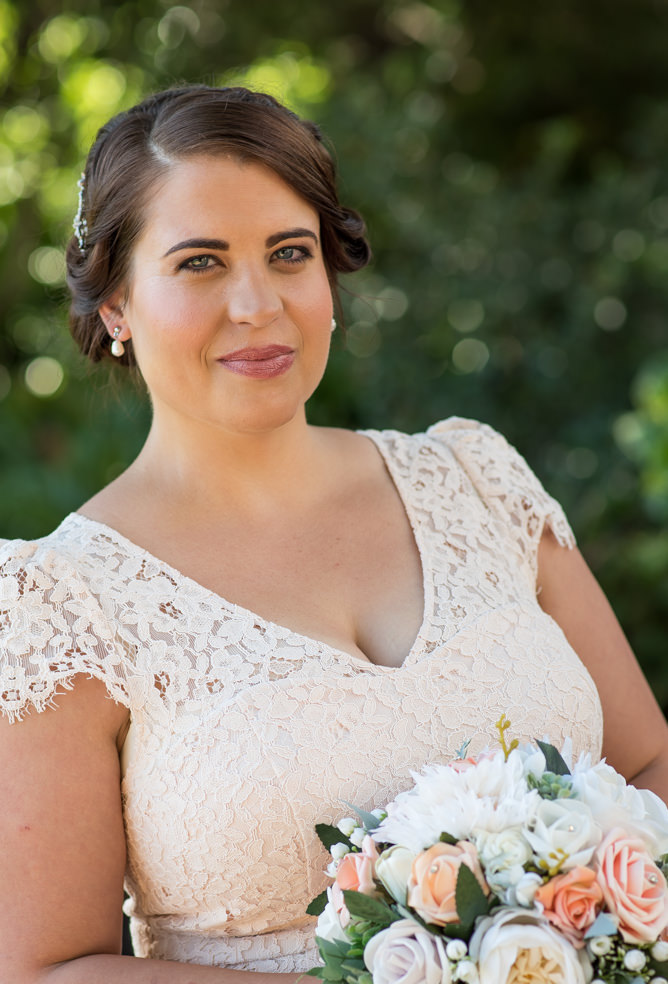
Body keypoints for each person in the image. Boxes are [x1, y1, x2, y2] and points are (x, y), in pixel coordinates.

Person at [0, 84, 666, 983]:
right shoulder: (60, 604)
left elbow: (649, 763)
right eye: (200, 263)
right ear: (116, 305)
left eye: (288, 253)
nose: (258, 303)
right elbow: (49, 971)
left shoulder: (472, 478)